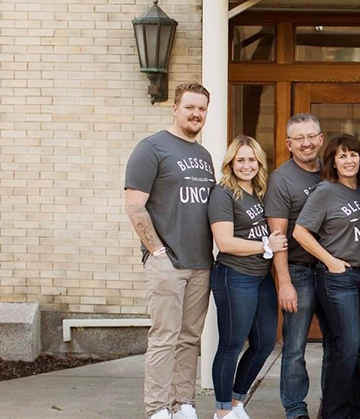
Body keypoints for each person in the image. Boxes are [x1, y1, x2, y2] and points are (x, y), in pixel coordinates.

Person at [124, 82, 215, 419]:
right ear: (175, 108)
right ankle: (158, 408)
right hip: (168, 261)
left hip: (202, 262)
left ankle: (184, 403)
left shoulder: (204, 156)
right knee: (165, 337)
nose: (196, 114)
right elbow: (135, 206)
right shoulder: (152, 148)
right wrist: (157, 251)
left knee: (190, 338)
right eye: (190, 107)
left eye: (202, 109)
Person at [294, 134, 360, 419]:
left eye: (353, 154)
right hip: (337, 278)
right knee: (346, 347)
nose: (348, 160)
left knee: (353, 349)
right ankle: (334, 413)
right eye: (342, 155)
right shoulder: (325, 191)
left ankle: (351, 411)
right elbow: (300, 232)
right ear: (332, 160)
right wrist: (330, 261)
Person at [208, 135, 288, 419]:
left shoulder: (261, 191)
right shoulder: (223, 193)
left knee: (265, 342)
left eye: (251, 159)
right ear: (231, 162)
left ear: (259, 162)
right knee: (231, 344)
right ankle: (222, 411)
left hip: (261, 277)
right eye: (240, 160)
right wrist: (265, 246)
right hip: (234, 276)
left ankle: (237, 402)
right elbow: (225, 242)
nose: (246, 165)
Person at [264, 113, 331, 419]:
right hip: (300, 270)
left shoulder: (332, 170)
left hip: (333, 271)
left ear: (320, 138)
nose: (306, 143)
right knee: (294, 347)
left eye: (311, 136)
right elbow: (277, 235)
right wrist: (284, 281)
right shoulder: (282, 178)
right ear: (289, 144)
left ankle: (334, 405)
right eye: (299, 138)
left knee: (339, 345)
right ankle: (295, 409)